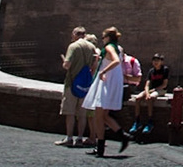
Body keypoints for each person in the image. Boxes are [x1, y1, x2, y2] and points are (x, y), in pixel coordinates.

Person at [84, 25, 131, 157]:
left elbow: (115, 61)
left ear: (108, 38)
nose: (102, 39)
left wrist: (103, 71)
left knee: (99, 116)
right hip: (112, 80)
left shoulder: (109, 47)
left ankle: (100, 148)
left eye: (103, 37)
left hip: (107, 81)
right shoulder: (119, 48)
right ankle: (123, 136)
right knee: (103, 115)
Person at [61, 27, 99, 148]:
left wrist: (64, 62)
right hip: (85, 85)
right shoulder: (91, 47)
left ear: (75, 34)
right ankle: (79, 138)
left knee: (70, 113)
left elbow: (67, 65)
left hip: (72, 83)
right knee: (82, 114)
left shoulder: (73, 46)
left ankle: (69, 138)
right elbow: (94, 67)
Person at [132, 51, 171, 139]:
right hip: (150, 90)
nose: (156, 62)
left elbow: (164, 85)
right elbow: (147, 84)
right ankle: (137, 121)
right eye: (154, 60)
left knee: (151, 98)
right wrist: (146, 92)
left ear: (162, 62)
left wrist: (151, 92)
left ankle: (150, 121)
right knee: (137, 98)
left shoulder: (165, 70)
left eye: (158, 60)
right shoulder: (151, 71)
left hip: (160, 90)